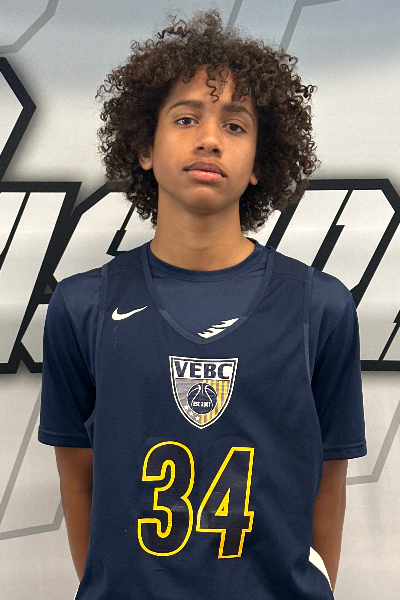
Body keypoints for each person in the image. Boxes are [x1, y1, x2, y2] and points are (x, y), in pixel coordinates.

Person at [38, 10, 366, 600]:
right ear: (145, 146)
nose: (209, 138)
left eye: (235, 125)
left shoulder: (321, 307)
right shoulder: (82, 306)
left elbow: (328, 483)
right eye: (186, 118)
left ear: (260, 162)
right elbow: (79, 480)